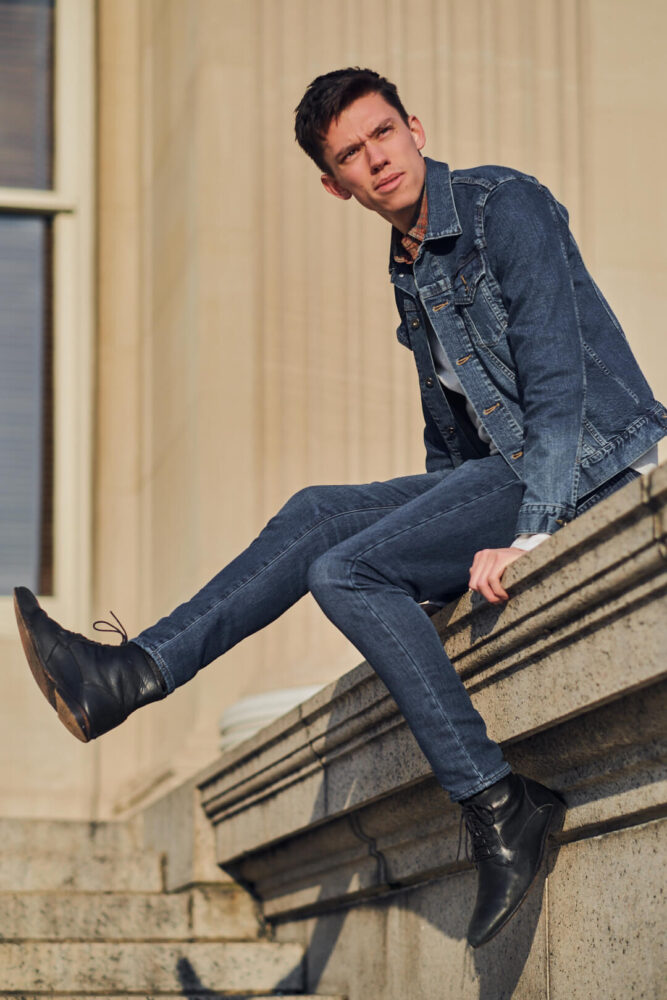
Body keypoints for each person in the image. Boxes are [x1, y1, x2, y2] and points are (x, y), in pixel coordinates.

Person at [14, 68, 665, 948]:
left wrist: (532, 534)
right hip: (502, 470)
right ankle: (131, 675)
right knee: (319, 509)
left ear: (415, 128)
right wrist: (434, 560)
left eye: (383, 135)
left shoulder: (501, 206)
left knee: (343, 568)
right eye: (352, 155)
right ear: (335, 184)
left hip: (577, 463)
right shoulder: (406, 261)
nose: (376, 159)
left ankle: (497, 803)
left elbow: (557, 384)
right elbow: (451, 438)